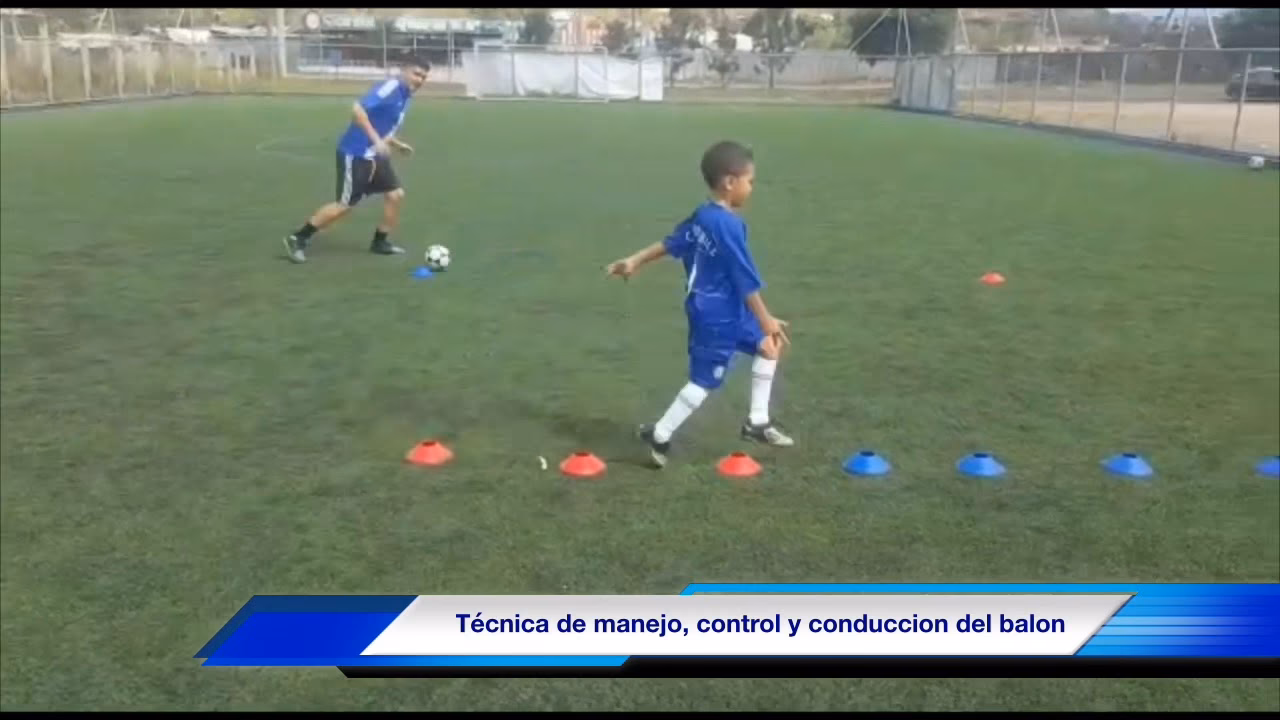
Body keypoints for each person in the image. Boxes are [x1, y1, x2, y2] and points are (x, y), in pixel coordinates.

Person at [606, 140, 794, 469]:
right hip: (716, 315)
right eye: (750, 181)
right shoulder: (728, 226)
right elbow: (744, 278)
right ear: (729, 182)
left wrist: (635, 260)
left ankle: (757, 423)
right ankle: (660, 435)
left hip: (729, 308)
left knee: (768, 346)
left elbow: (672, 242)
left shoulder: (705, 216)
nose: (752, 188)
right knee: (705, 381)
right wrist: (765, 318)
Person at [281, 58, 430, 264]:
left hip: (374, 153)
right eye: (416, 73)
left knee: (395, 195)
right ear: (404, 71)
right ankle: (298, 238)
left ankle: (380, 242)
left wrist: (395, 144)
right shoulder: (390, 87)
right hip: (356, 152)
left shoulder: (406, 96)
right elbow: (357, 110)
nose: (420, 79)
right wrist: (377, 141)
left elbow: (382, 124)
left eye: (423, 77)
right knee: (345, 205)